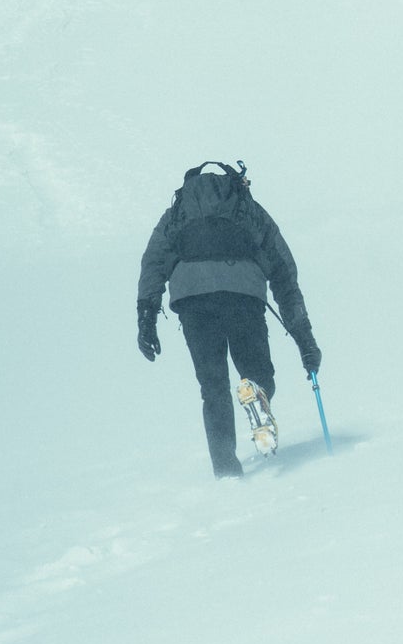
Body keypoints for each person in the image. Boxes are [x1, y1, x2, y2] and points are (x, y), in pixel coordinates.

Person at [137, 160, 322, 478]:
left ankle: (225, 470)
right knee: (257, 374)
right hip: (243, 296)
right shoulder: (249, 211)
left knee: (213, 386)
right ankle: (257, 393)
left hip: (193, 300)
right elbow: (282, 271)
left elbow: (154, 262)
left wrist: (146, 318)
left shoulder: (177, 214)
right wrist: (304, 339)